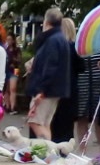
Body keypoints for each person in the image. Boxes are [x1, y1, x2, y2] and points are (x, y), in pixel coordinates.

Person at [27, 9, 72, 138]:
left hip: (47, 90)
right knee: (45, 123)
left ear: (46, 21)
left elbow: (50, 67)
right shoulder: (60, 39)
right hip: (55, 89)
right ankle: (48, 151)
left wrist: (41, 90)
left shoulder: (51, 41)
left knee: (35, 121)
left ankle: (50, 150)